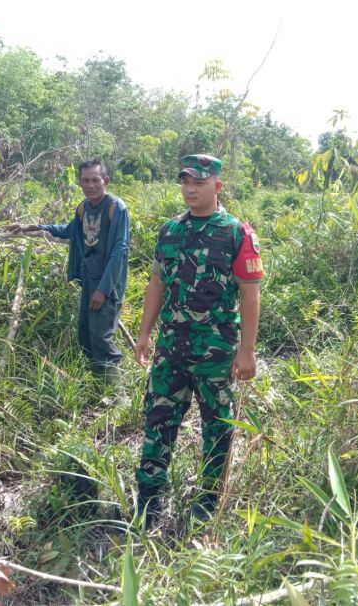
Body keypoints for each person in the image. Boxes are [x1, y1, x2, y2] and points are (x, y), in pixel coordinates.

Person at [133, 153, 264, 528]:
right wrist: (144, 333)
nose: (190, 189)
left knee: (217, 425)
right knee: (158, 420)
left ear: (217, 186)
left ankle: (208, 500)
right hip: (171, 348)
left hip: (216, 351)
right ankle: (149, 499)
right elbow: (156, 284)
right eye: (186, 181)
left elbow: (250, 293)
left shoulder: (237, 233)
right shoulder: (170, 231)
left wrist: (247, 350)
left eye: (199, 182)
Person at [6, 159, 130, 385]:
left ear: (106, 181)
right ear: (79, 182)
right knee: (85, 334)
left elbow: (119, 251)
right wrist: (36, 226)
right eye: (85, 180)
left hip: (108, 284)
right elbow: (70, 230)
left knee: (101, 337)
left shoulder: (116, 208)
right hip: (88, 280)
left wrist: (103, 290)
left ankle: (116, 395)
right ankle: (97, 387)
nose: (90, 185)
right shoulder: (84, 208)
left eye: (95, 180)